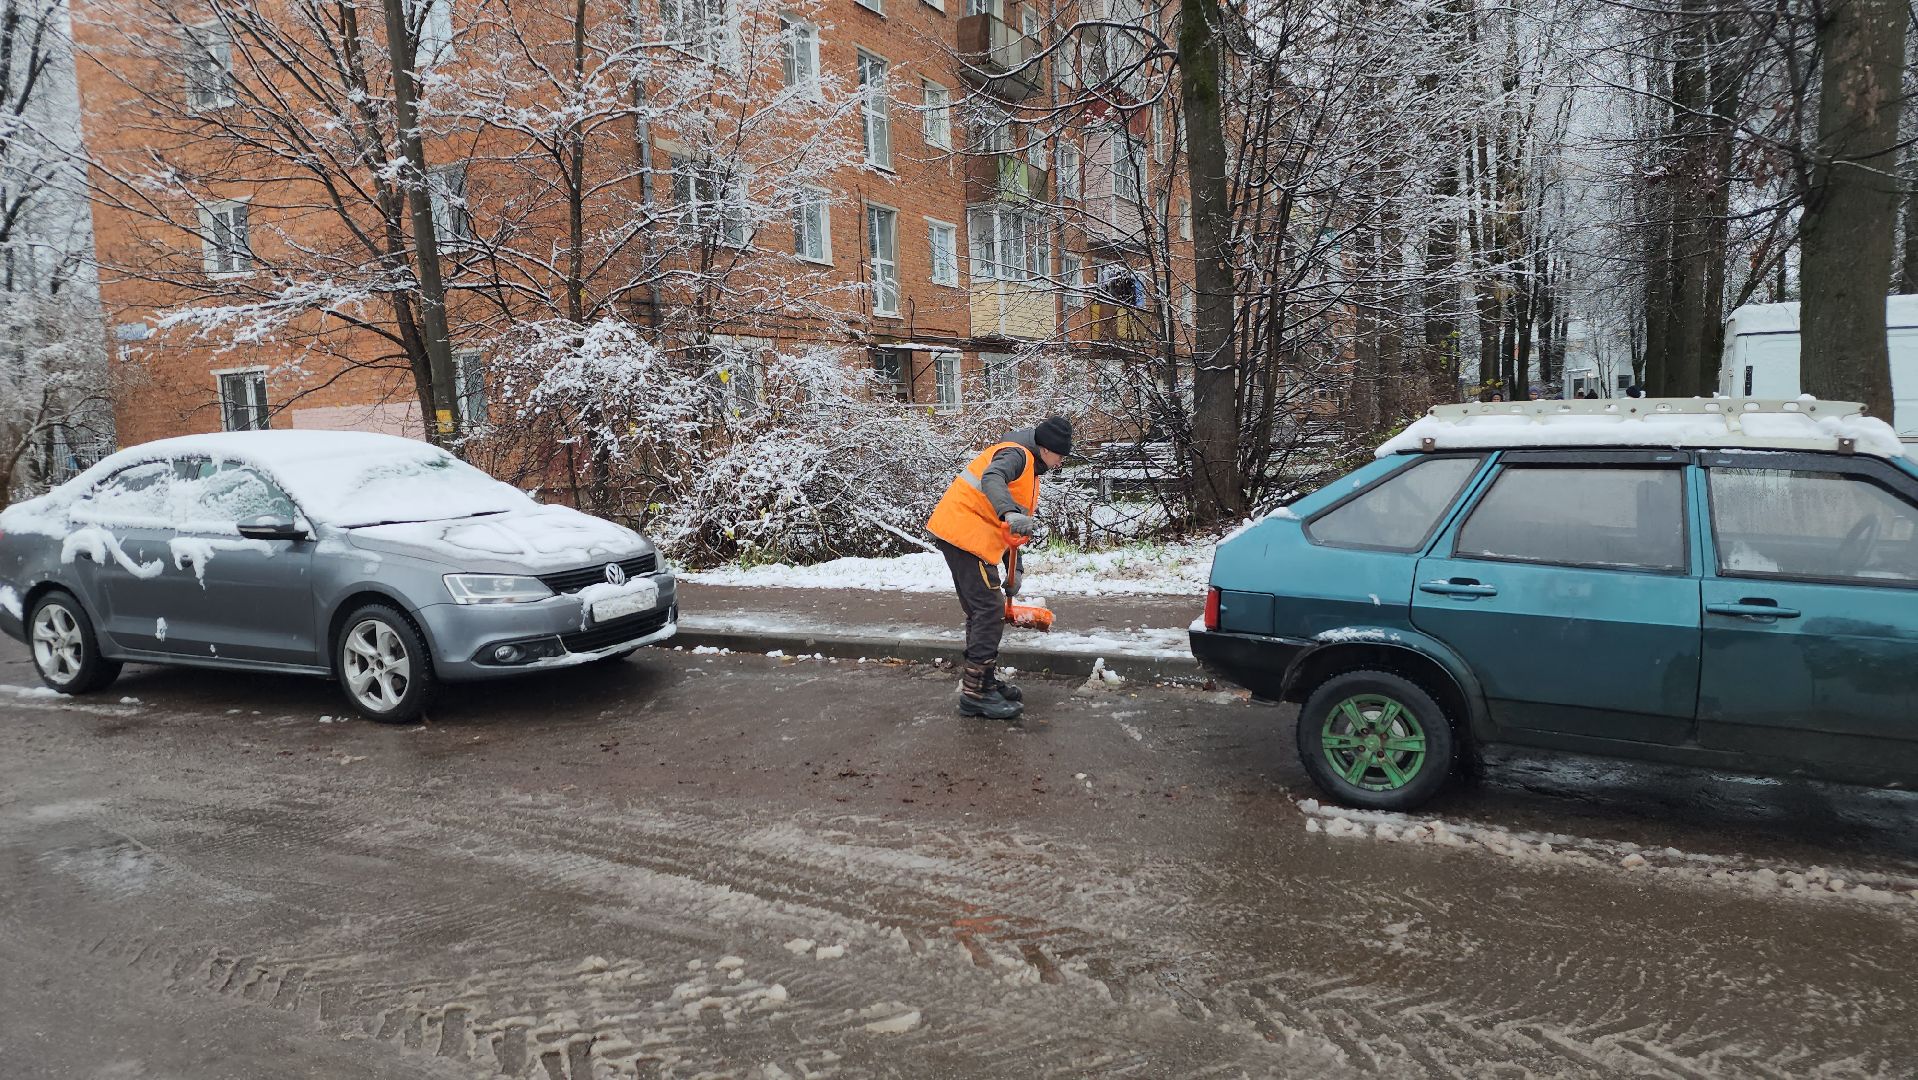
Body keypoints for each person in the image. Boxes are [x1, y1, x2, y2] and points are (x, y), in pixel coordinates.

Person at [925, 417, 1072, 720]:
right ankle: (976, 693)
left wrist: (1015, 570)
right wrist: (1008, 511)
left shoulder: (1030, 469)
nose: (1060, 463)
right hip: (964, 535)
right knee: (989, 610)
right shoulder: (1016, 455)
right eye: (1060, 456)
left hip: (969, 536)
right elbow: (992, 478)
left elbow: (1012, 529)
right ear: (1046, 449)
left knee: (982, 611)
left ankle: (983, 681)